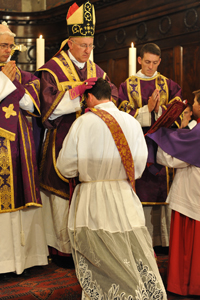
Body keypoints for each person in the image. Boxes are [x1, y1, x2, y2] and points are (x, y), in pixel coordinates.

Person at [56, 78, 167, 300]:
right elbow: (137, 167)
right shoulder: (131, 122)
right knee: (132, 253)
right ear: (110, 96)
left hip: (92, 198)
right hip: (125, 197)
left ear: (89, 97)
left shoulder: (83, 123)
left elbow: (65, 166)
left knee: (99, 261)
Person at [35, 1, 118, 266]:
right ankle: (62, 250)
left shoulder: (97, 70)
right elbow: (46, 109)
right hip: (62, 138)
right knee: (61, 190)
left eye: (91, 45)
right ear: (70, 42)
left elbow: (112, 98)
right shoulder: (52, 69)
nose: (88, 51)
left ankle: (89, 245)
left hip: (93, 143)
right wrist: (74, 93)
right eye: (83, 45)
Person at [118, 43, 183, 248]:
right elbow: (122, 114)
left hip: (163, 147)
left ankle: (163, 241)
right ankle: (141, 242)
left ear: (160, 61)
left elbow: (179, 113)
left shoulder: (168, 84)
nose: (151, 67)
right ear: (139, 60)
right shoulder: (127, 86)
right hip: (139, 145)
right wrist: (147, 109)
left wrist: (160, 110)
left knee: (162, 191)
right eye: (147, 62)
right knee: (141, 190)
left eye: (155, 63)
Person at [0, 22, 48, 277]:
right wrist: (3, 80)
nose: (8, 50)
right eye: (3, 45)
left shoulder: (24, 75)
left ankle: (26, 258)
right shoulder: (9, 74)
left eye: (10, 45)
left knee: (22, 199)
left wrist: (12, 82)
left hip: (21, 145)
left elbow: (31, 104)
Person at [146, 89, 200, 296]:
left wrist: (157, 138)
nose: (192, 105)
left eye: (194, 101)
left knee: (188, 245)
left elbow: (174, 159)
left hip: (191, 193)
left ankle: (186, 285)